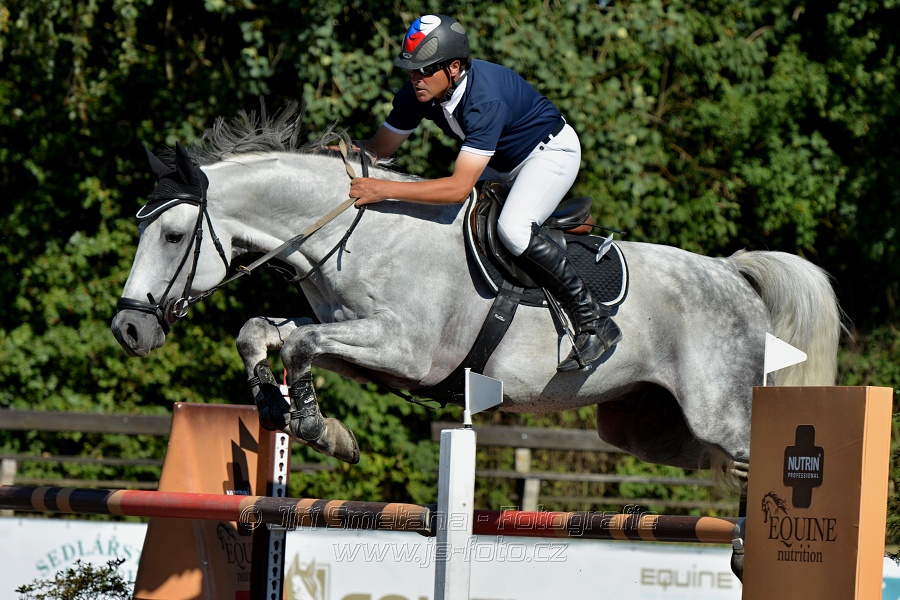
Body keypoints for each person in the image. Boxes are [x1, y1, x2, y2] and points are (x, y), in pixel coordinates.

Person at [349, 14, 621, 372]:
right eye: (411, 71)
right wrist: (336, 153)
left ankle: (594, 320)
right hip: (502, 162)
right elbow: (378, 149)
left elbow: (457, 187)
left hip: (549, 153)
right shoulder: (421, 92)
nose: (415, 79)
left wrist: (383, 189)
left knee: (513, 229)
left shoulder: (484, 99)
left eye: (424, 70)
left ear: (454, 68)